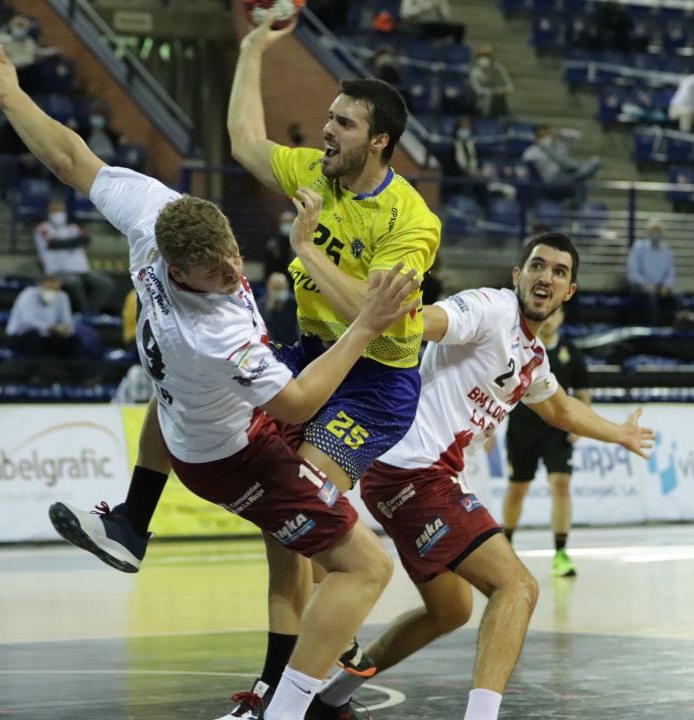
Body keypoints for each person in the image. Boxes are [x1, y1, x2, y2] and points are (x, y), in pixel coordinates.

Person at [0, 28, 420, 720]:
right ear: (178, 272)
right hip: (234, 450)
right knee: (365, 565)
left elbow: (69, 157)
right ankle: (289, 696)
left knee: (270, 521)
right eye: (219, 272)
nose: (236, 273)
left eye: (234, 255)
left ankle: (135, 522)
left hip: (179, 416)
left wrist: (12, 95)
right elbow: (293, 405)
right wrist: (364, 326)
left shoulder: (157, 216)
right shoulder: (219, 330)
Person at [312, 233, 654, 720]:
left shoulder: (532, 355)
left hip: (413, 477)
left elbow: (558, 407)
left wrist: (618, 433)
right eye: (537, 266)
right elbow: (429, 323)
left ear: (569, 292)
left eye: (559, 272)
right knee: (518, 588)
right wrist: (395, 312)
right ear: (518, 276)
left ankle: (331, 698)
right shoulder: (492, 308)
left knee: (450, 610)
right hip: (415, 471)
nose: (546, 277)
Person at [220, 16, 443, 717]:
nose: (327, 131)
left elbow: (374, 318)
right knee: (280, 522)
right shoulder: (317, 172)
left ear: (379, 140)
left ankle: (306, 673)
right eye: (328, 118)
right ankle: (281, 677)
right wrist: (254, 47)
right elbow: (243, 144)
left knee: (308, 489)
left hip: (376, 379)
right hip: (313, 355)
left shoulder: (411, 220)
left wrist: (307, 248)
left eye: (343, 123)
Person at [501, 304, 591, 578]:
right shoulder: (521, 347)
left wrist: (581, 424)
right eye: (547, 313)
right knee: (518, 489)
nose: (551, 318)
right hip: (522, 430)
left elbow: (583, 393)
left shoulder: (571, 352)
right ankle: (505, 547)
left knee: (561, 485)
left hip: (557, 431)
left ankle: (561, 552)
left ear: (562, 317)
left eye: (556, 313)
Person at [34, 199, 116, 315]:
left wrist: (69, 242)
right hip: (58, 272)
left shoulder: (73, 227)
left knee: (105, 284)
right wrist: (75, 241)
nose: (58, 213)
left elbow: (86, 239)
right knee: (74, 283)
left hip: (82, 271)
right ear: (48, 212)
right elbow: (54, 243)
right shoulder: (43, 228)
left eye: (61, 210)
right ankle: (84, 314)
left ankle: (90, 313)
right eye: (55, 210)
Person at [5, 274, 82, 359]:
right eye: (49, 286)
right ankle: (37, 371)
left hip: (49, 336)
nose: (52, 290)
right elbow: (28, 321)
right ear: (41, 284)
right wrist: (50, 328)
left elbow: (67, 321)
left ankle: (72, 370)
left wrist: (66, 329)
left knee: (73, 340)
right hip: (22, 336)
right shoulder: (28, 295)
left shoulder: (62, 297)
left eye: (55, 287)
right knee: (34, 337)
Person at [521, 125, 601, 206]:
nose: (546, 137)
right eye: (542, 135)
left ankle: (576, 203)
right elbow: (524, 161)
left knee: (594, 162)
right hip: (552, 181)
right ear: (536, 137)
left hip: (567, 175)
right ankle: (577, 204)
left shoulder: (560, 145)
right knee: (580, 180)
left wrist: (561, 133)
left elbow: (578, 136)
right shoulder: (533, 151)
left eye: (547, 134)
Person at [626, 216, 678, 325]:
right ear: (648, 232)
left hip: (660, 286)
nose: (655, 233)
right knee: (651, 296)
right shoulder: (638, 248)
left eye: (657, 230)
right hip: (642, 286)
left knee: (677, 295)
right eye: (653, 230)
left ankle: (672, 329)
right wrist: (646, 284)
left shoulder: (667, 251)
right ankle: (653, 329)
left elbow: (671, 272)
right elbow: (633, 272)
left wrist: (666, 286)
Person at [0, 15, 58, 95]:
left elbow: (37, 53)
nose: (20, 29)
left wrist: (51, 52)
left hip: (29, 73)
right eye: (18, 26)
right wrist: (5, 28)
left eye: (22, 26)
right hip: (12, 72)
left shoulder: (29, 41)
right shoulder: (3, 39)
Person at [468, 46, 513, 119]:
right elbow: (478, 90)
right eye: (481, 56)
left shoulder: (498, 69)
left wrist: (503, 90)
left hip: (498, 103)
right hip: (481, 104)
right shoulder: (474, 72)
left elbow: (510, 87)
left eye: (487, 56)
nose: (484, 58)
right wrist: (494, 91)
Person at [260, 272, 299, 346]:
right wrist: (270, 308)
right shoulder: (261, 304)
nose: (278, 291)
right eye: (275, 288)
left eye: (281, 287)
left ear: (286, 286)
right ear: (268, 286)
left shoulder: (294, 303)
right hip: (271, 346)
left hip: (292, 344)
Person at [399, 0, 466, 43]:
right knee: (423, 29)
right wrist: (420, 8)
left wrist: (441, 10)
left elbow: (446, 17)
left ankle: (454, 54)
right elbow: (404, 13)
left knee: (459, 28)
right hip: (416, 23)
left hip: (434, 24)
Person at [262, 209, 295, 280]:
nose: (287, 224)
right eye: (285, 222)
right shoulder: (273, 242)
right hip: (277, 280)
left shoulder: (300, 241)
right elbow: (269, 266)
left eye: (289, 221)